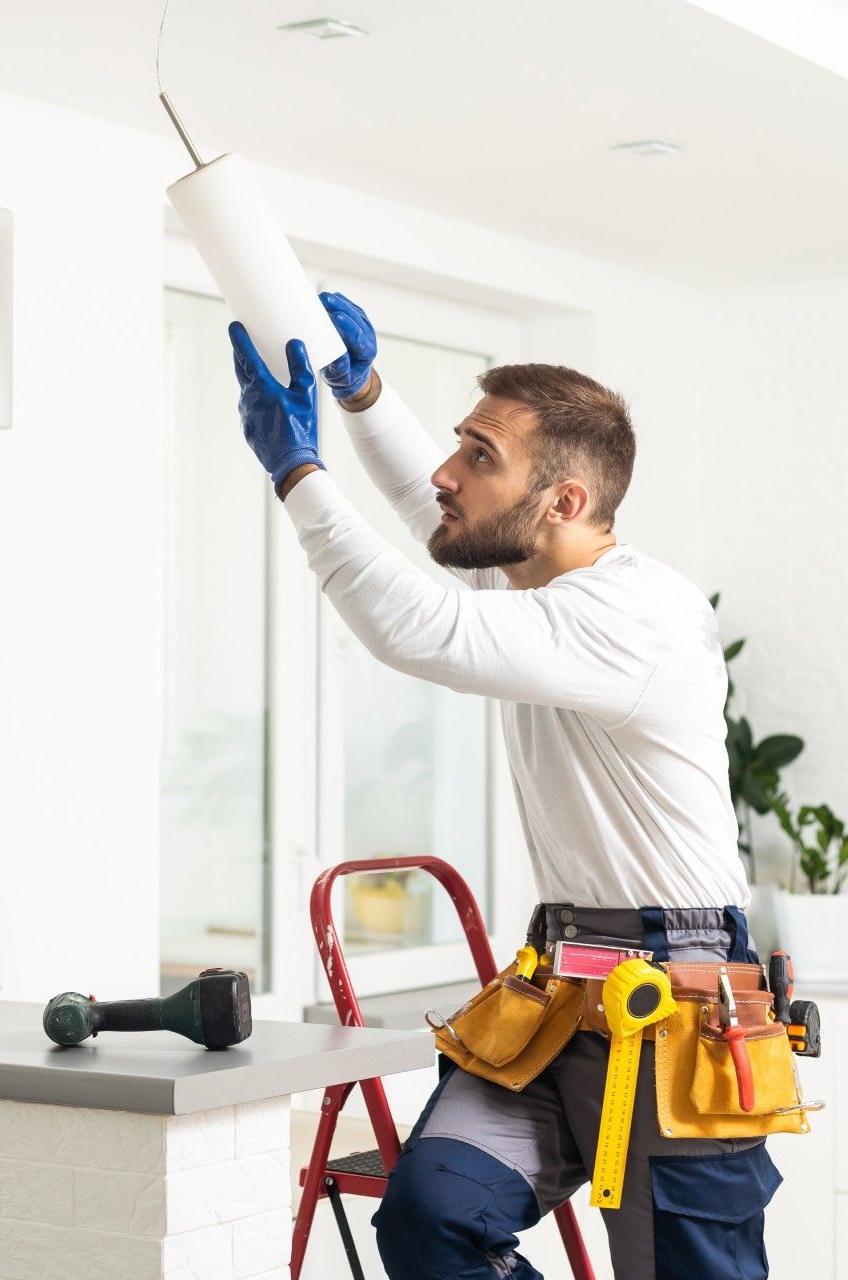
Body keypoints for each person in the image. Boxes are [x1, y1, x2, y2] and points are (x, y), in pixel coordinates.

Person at [228, 293, 781, 1280]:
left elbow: (417, 628)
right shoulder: (535, 577)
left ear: (564, 500)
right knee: (433, 1217)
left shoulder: (630, 615)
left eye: (479, 454)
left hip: (677, 992)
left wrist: (298, 472)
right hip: (563, 980)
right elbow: (434, 512)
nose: (449, 472)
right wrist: (362, 395)